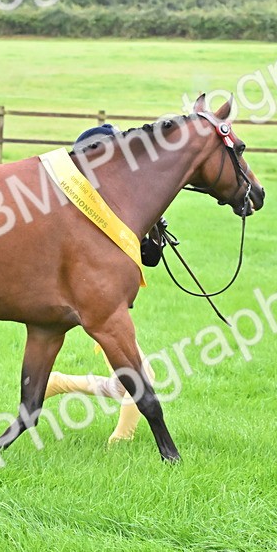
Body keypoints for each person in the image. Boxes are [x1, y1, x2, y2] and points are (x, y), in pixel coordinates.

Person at [42, 124, 162, 444]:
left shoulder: (117, 207)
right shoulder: (84, 212)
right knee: (142, 378)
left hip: (111, 307)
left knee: (123, 384)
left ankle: (59, 383)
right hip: (96, 308)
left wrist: (154, 234)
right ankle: (120, 442)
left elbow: (147, 259)